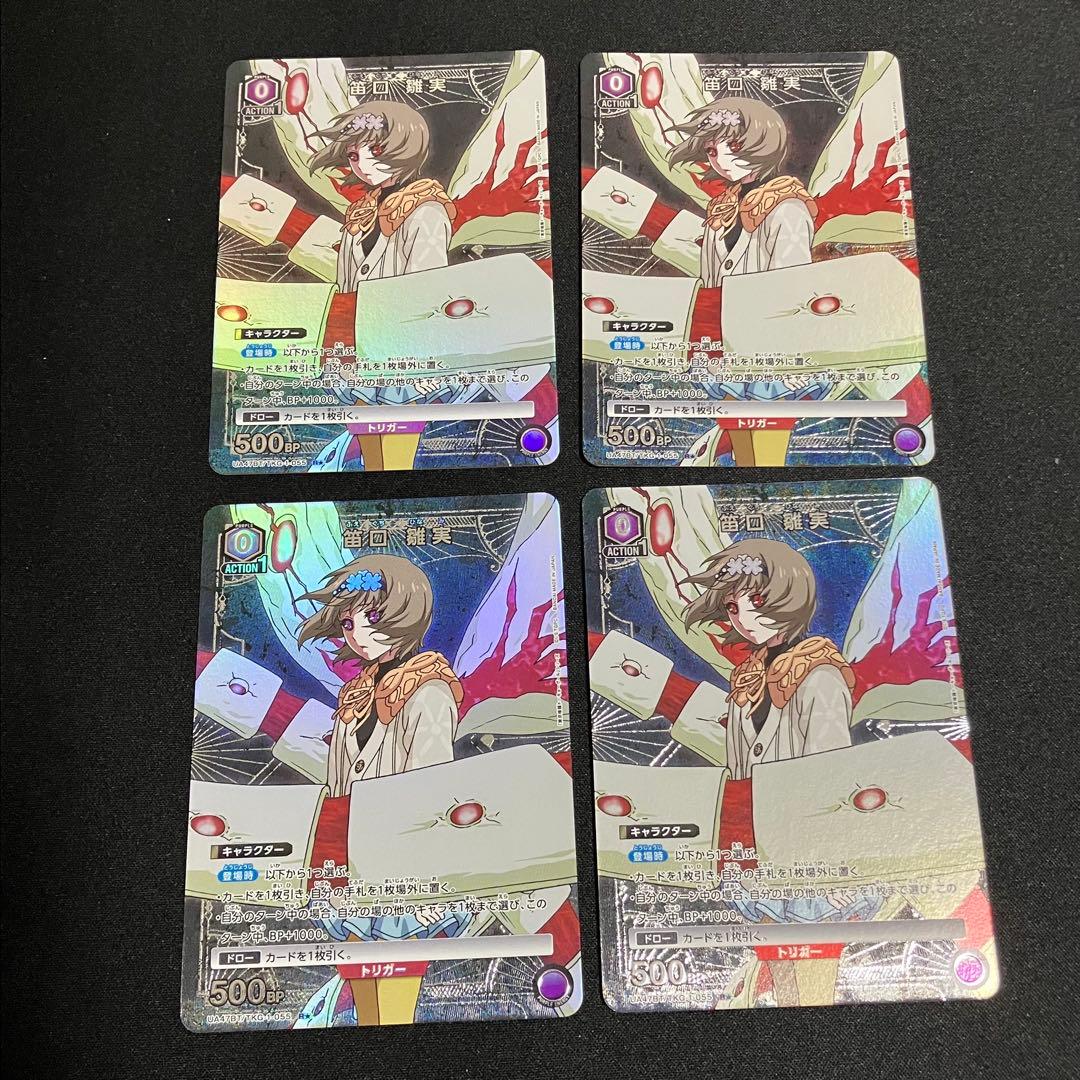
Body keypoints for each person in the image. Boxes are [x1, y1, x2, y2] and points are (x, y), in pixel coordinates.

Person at [296, 554, 469, 1024]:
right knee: (364, 989)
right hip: (347, 863)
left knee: (395, 995)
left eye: (372, 617)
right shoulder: (355, 694)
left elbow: (431, 789)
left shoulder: (428, 691)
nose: (358, 633)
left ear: (407, 615)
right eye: (348, 622)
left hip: (405, 867)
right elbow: (336, 785)